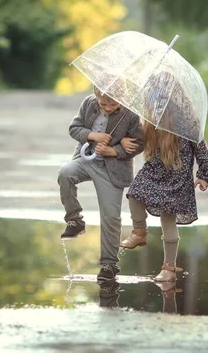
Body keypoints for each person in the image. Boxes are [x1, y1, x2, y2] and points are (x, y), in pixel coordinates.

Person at [119, 72, 208, 283]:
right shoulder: (150, 118)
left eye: (161, 96)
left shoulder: (187, 119)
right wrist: (124, 141)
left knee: (167, 220)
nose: (156, 101)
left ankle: (169, 267)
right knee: (134, 193)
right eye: (152, 97)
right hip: (154, 169)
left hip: (177, 176)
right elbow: (140, 143)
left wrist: (204, 175)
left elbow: (201, 148)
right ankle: (139, 231)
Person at [58, 84, 143, 282]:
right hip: (86, 160)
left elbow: (139, 143)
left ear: (121, 98)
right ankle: (74, 220)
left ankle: (109, 264)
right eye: (102, 103)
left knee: (111, 216)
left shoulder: (131, 114)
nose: (106, 107)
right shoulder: (89, 103)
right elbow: (74, 128)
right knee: (65, 173)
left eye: (111, 104)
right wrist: (93, 136)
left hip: (112, 169)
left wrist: (114, 150)